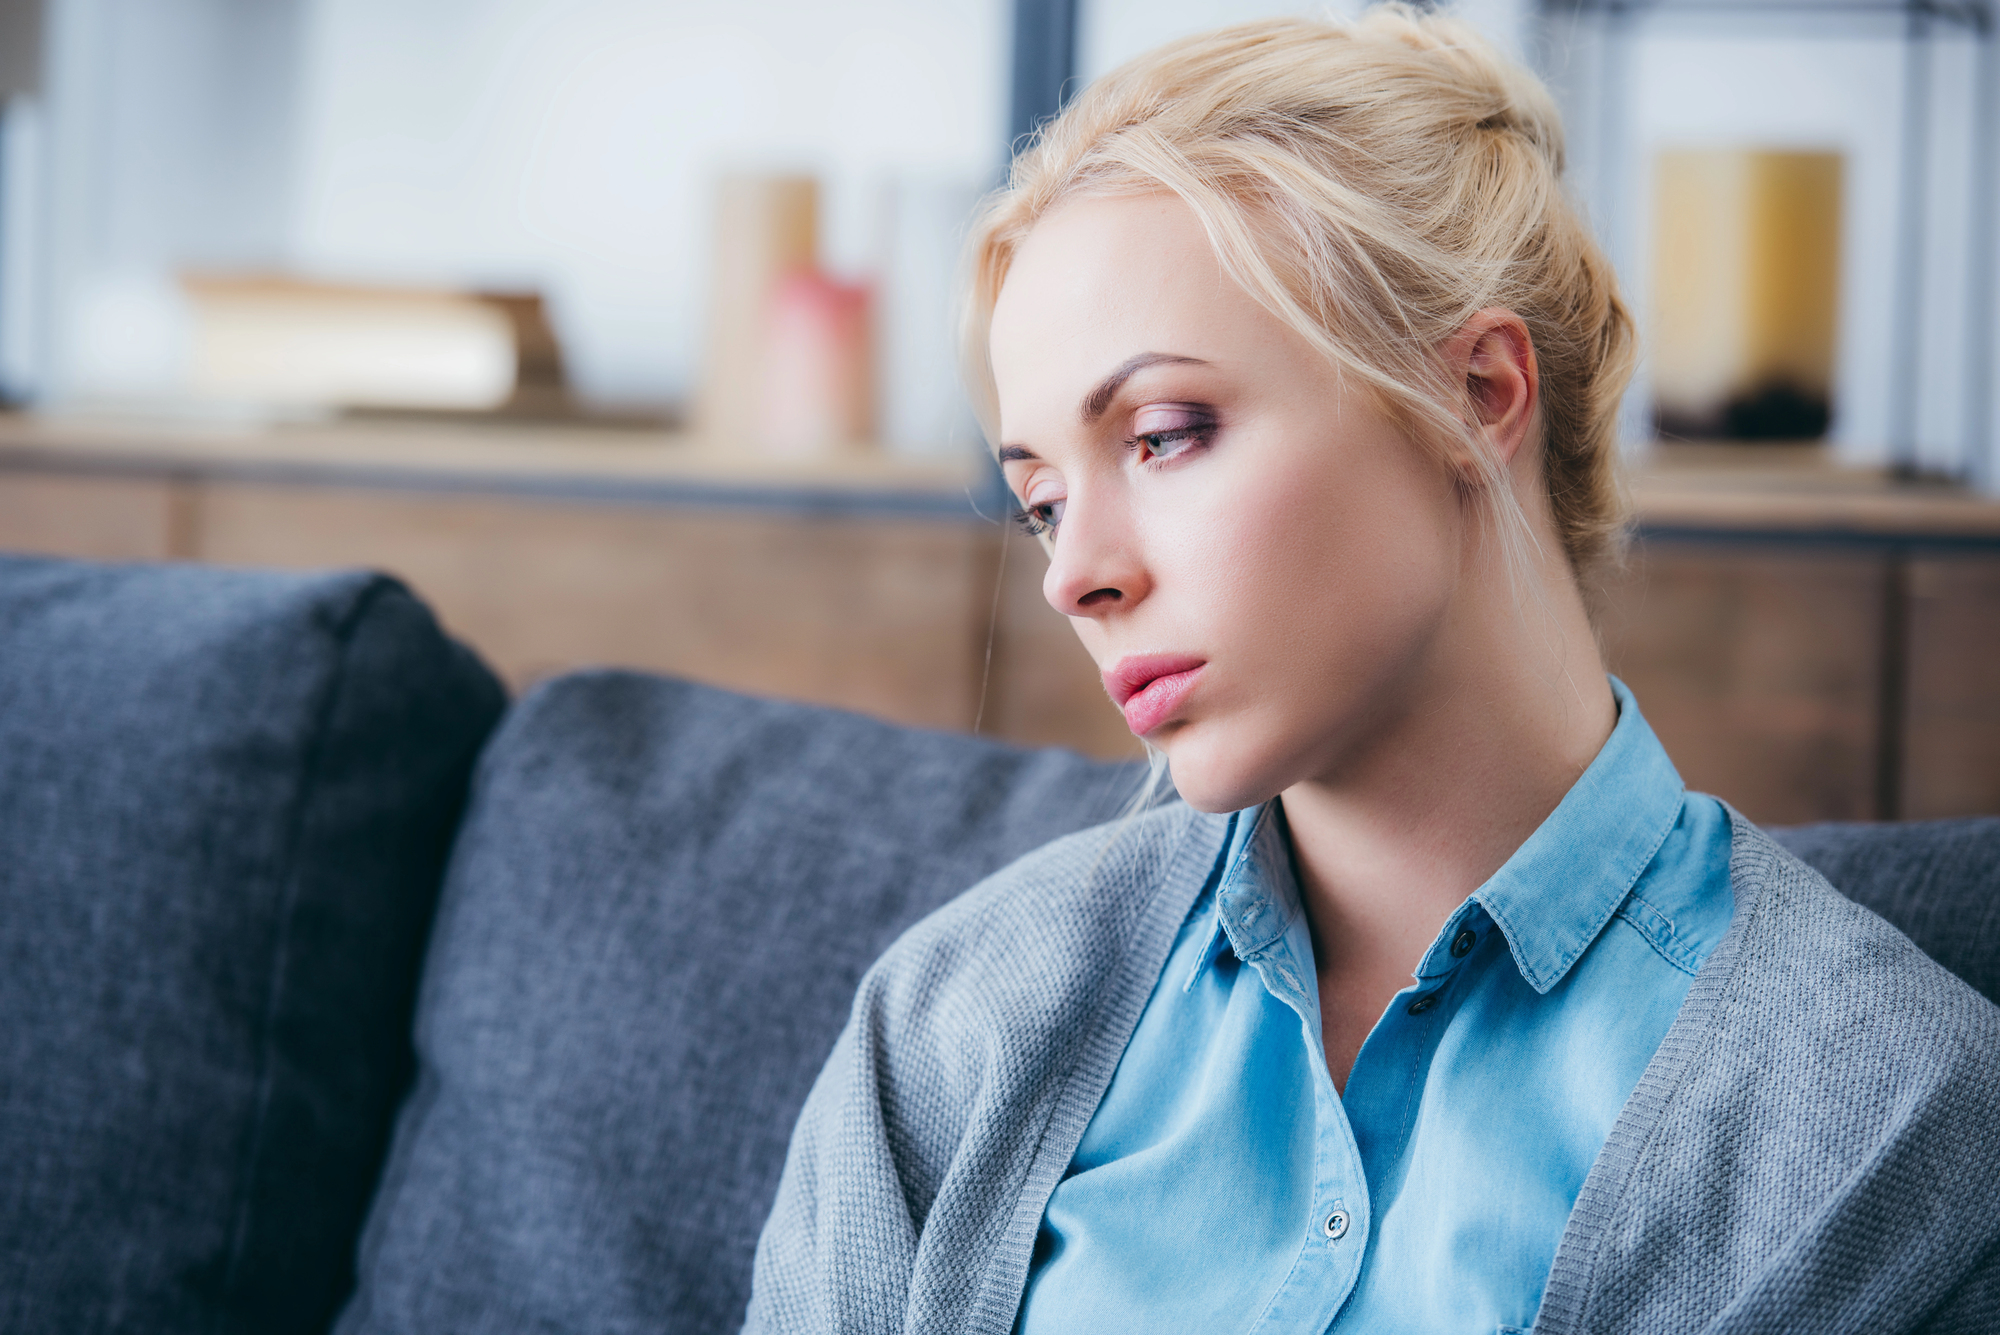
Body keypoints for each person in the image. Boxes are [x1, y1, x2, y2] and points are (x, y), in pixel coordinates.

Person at [743, 9, 2000, 1333]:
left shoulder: (1885, 1133)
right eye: (1045, 502)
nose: (1074, 575)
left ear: (1480, 392)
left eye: (1166, 435)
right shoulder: (951, 1024)